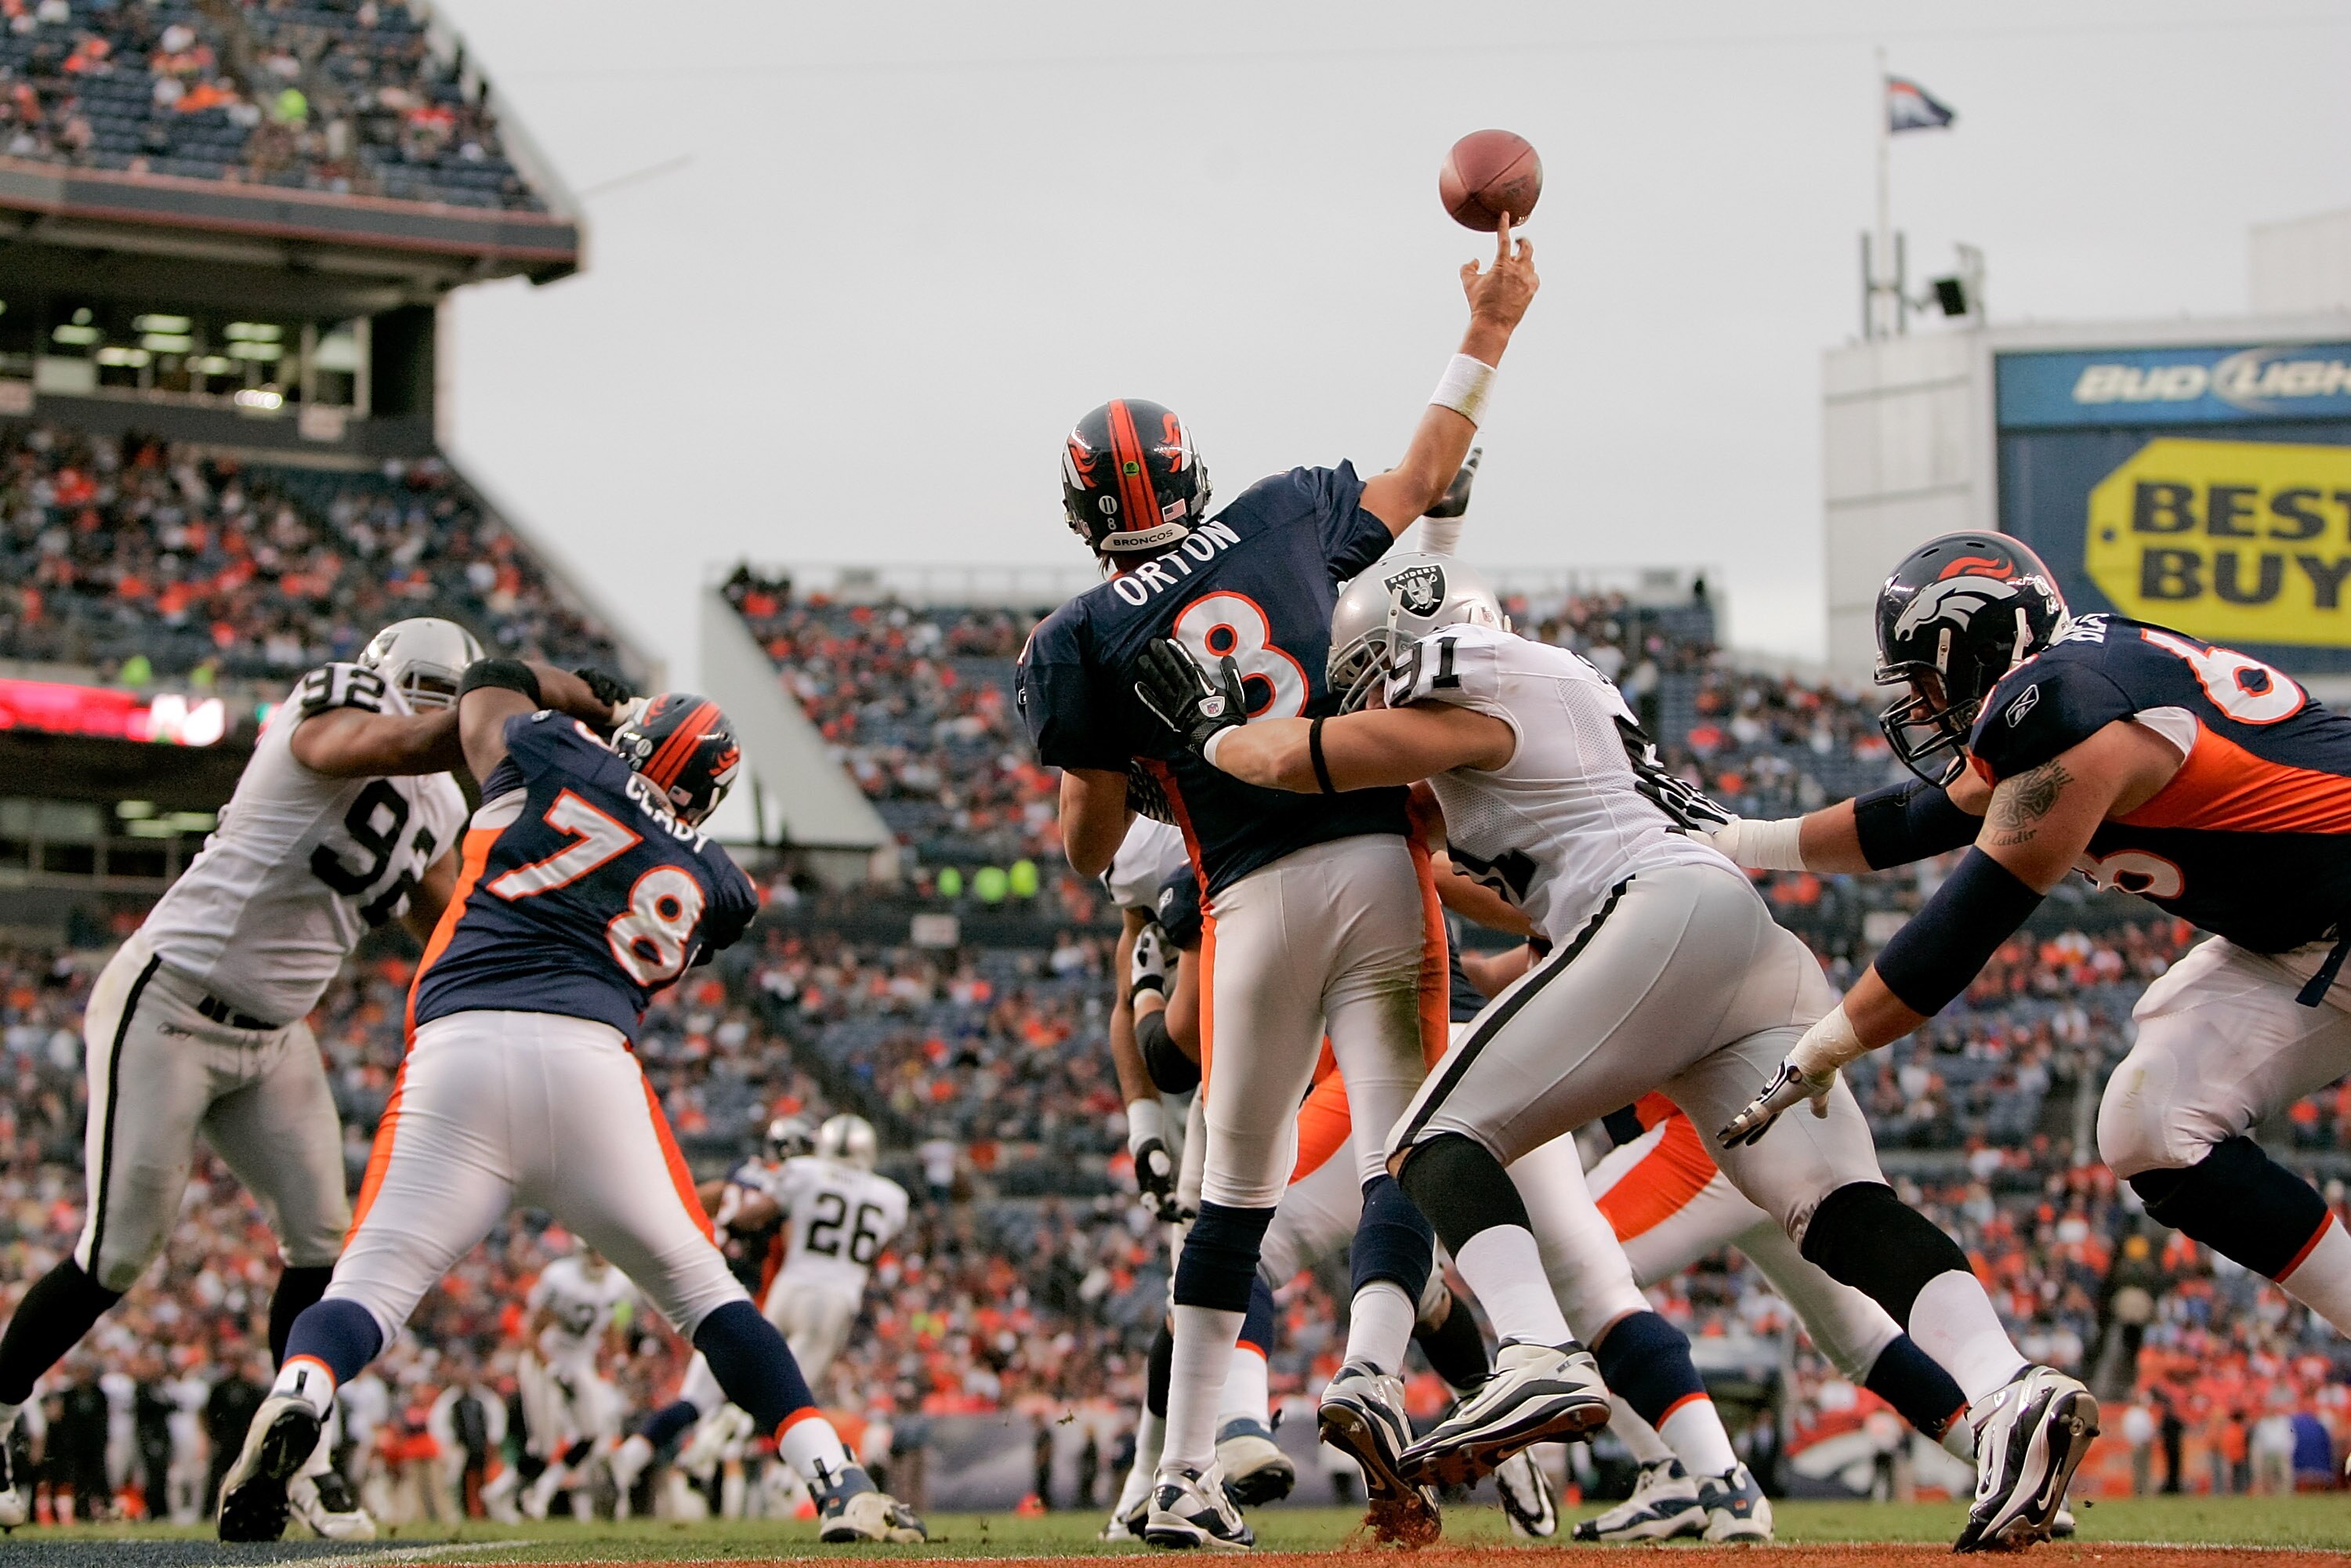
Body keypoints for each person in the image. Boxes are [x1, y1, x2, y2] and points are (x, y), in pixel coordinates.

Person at [1136, 552, 2089, 1551]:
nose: (1362, 696)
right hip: (1739, 946)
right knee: (1842, 1213)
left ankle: (1539, 1348)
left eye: (1368, 674)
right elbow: (1462, 852)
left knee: (1427, 1139)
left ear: (1407, 653)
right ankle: (2006, 1392)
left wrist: (1213, 735)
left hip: (1653, 918)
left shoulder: (1478, 676)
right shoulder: (1540, 714)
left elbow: (1300, 759)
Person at [1019, 216, 1537, 1548]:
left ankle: (1179, 1475)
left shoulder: (1077, 638)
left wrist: (1135, 768)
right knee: (1397, 1148)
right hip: (1370, 863)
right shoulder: (1285, 511)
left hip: (1242, 904)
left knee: (1230, 1194)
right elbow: (1430, 464)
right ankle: (1368, 1373)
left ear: (1084, 516)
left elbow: (1085, 849)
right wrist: (1486, 328)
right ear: (1192, 477)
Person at [212, 670, 923, 1546]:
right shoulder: (725, 887)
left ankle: (301, 1394)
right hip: (592, 1067)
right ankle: (836, 1480)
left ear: (629, 741)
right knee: (709, 1298)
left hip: (461, 1051)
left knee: (368, 1287)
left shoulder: (553, 754)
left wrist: (595, 699)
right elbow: (660, 881)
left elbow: (488, 686)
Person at [1713, 533, 2351, 1402]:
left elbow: (1960, 929)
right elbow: (1912, 822)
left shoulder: (2069, 718)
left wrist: (1826, 1042)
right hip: (2295, 938)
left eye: (1929, 682)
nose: (1922, 707)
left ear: (1979, 650)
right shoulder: (2062, 693)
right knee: (2152, 1124)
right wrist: (1740, 841)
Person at [0, 618, 569, 1539]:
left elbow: (443, 926)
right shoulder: (339, 699)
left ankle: (300, 1459)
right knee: (117, 1252)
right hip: (171, 1006)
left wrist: (541, 962)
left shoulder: (438, 807)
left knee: (321, 1248)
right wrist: (495, 714)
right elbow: (358, 745)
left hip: (275, 1035)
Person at [483, 1247, 636, 1521]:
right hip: (545, 1358)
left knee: (593, 1431)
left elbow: (611, 1326)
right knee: (543, 1445)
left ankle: (541, 1491)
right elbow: (532, 1332)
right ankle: (501, 1492)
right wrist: (551, 1367)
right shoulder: (561, 1278)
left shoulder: (617, 1283)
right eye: (593, 1251)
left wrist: (620, 1361)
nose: (599, 1257)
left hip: (579, 1361)